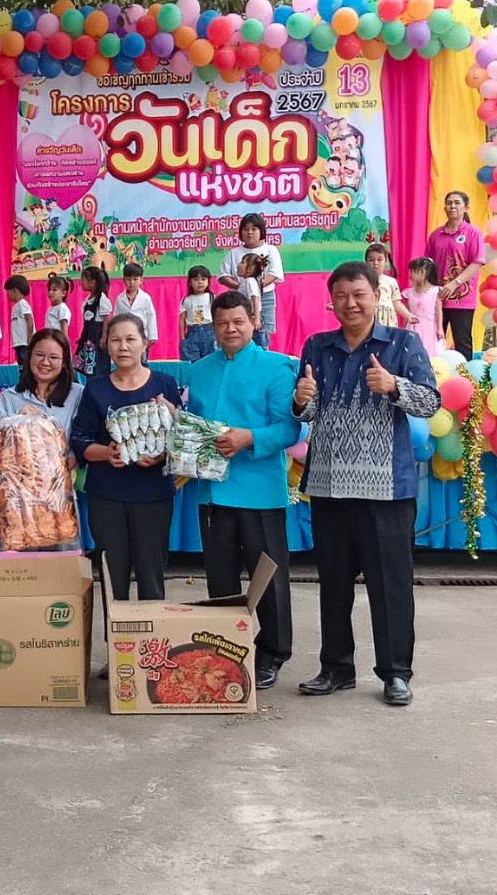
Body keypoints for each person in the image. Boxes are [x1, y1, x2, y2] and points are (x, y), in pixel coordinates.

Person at [292, 261, 440, 707]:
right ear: (331, 301)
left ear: (377, 296)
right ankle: (336, 668)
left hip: (386, 490)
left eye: (359, 294)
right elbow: (307, 412)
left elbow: (431, 402)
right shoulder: (317, 346)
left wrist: (394, 386)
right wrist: (300, 402)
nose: (350, 303)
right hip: (329, 486)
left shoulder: (402, 343)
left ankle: (395, 673)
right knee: (333, 584)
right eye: (341, 296)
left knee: (390, 586)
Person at [186, 292, 299, 690]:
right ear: (212, 326)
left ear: (253, 321)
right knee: (220, 581)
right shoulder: (199, 370)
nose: (230, 329)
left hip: (259, 492)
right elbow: (193, 425)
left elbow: (290, 428)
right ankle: (226, 649)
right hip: (212, 493)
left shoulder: (277, 367)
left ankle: (273, 653)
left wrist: (249, 437)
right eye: (222, 323)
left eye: (238, 321)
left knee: (268, 579)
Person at [72, 314, 183, 638]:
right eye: (116, 340)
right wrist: (106, 453)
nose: (123, 346)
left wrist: (163, 453)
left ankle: (150, 649)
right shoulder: (95, 388)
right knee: (112, 578)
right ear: (106, 345)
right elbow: (79, 439)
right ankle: (118, 651)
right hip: (107, 496)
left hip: (153, 496)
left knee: (151, 576)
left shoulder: (164, 384)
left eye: (131, 339)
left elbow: (181, 438)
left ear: (144, 343)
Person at [0, 328, 85, 454]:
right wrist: (18, 423)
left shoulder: (78, 394)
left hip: (64, 466)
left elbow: (81, 443)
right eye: (39, 355)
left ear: (64, 362)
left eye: (53, 357)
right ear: (29, 357)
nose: (45, 362)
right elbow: (0, 449)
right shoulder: (8, 397)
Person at [427, 191, 485, 356]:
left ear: (466, 207)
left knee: (462, 342)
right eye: (449, 203)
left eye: (457, 203)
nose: (452, 206)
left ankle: (464, 372)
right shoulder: (436, 235)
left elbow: (477, 263)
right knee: (434, 340)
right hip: (437, 298)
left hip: (462, 299)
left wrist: (454, 284)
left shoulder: (473, 233)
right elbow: (427, 264)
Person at [220, 213, 283, 348]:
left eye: (254, 229)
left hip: (264, 296)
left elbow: (274, 274)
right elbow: (223, 276)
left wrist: (254, 286)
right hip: (239, 299)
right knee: (240, 332)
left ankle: (262, 357)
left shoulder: (270, 250)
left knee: (262, 332)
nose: (249, 232)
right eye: (245, 229)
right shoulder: (233, 253)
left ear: (261, 231)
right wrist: (242, 287)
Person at [113, 262, 158, 362]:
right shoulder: (120, 298)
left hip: (141, 335)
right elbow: (116, 317)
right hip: (124, 335)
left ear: (141, 280)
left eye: (135, 279)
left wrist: (152, 336)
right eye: (128, 279)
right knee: (127, 359)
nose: (132, 282)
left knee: (142, 360)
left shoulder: (145, 298)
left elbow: (151, 316)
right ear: (123, 280)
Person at [365, 243, 415, 329]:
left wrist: (407, 315)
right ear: (366, 262)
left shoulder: (391, 281)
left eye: (379, 260)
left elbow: (396, 303)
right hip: (369, 319)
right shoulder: (363, 281)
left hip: (388, 322)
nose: (375, 263)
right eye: (371, 260)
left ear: (386, 262)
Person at [75, 266, 112, 378]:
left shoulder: (102, 300)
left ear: (92, 283)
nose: (81, 283)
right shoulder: (88, 300)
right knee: (85, 365)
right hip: (88, 336)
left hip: (97, 337)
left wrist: (104, 338)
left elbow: (106, 320)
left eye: (83, 280)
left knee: (97, 365)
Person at [404, 257, 444, 357]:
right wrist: (404, 328)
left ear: (422, 272)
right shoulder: (409, 293)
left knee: (429, 351)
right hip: (412, 327)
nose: (410, 274)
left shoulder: (435, 291)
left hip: (429, 328)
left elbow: (438, 311)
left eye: (412, 271)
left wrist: (440, 328)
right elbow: (407, 311)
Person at [179, 265, 216, 362]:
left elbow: (217, 315)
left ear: (208, 281)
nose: (200, 282)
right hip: (192, 333)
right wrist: (182, 338)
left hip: (209, 332)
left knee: (210, 360)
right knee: (193, 361)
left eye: (203, 279)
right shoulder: (186, 300)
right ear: (190, 282)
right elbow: (182, 319)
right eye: (196, 279)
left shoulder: (211, 297)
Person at [4, 275, 35, 371]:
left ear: (15, 290)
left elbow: (29, 319)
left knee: (26, 366)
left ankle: (27, 379)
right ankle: (22, 379)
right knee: (21, 366)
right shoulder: (16, 306)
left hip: (24, 343)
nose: (7, 295)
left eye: (8, 291)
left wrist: (30, 338)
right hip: (18, 343)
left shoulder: (22, 304)